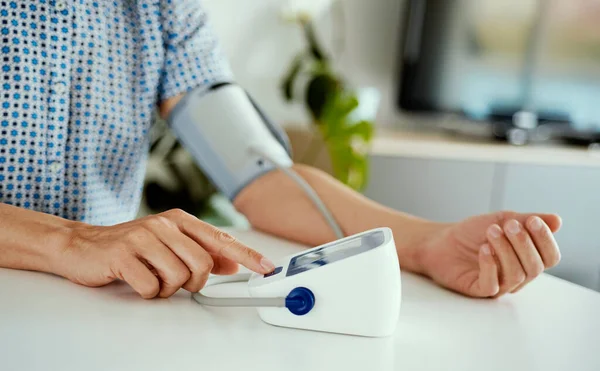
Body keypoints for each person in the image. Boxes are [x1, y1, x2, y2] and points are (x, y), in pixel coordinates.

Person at [0, 1, 561, 300]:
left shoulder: (163, 9)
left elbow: (263, 177)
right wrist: (68, 240)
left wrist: (425, 244)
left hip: (101, 311)